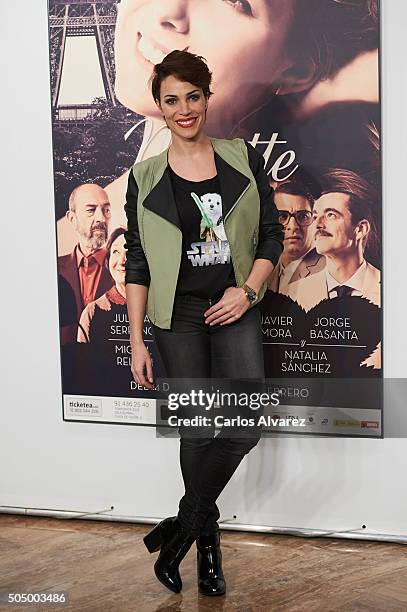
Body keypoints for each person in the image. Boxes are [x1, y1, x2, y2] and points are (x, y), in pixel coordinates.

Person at [124, 50, 284, 596]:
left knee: (243, 425)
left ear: (207, 98)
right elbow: (139, 261)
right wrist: (137, 336)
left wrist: (247, 291)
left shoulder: (240, 158)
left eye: (194, 96)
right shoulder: (144, 177)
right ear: (160, 107)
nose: (184, 109)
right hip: (178, 316)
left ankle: (181, 529)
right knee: (198, 431)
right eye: (172, 99)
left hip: (233, 304)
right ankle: (206, 545)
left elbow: (270, 236)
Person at [287, 168, 380, 367]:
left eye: (330, 215)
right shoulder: (296, 293)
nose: (318, 224)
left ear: (360, 229)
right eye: (315, 215)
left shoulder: (387, 292)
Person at [58, 184, 114, 344]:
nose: (101, 218)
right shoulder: (53, 271)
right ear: (72, 219)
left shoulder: (125, 268)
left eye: (106, 210)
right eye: (91, 210)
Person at [267, 172, 325, 294]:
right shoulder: (264, 267)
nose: (293, 227)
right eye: (282, 216)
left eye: (303, 216)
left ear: (314, 220)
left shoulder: (328, 270)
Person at [77, 227, 127, 343]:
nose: (121, 261)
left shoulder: (157, 310)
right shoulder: (92, 312)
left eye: (130, 253)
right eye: (115, 252)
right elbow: (82, 359)